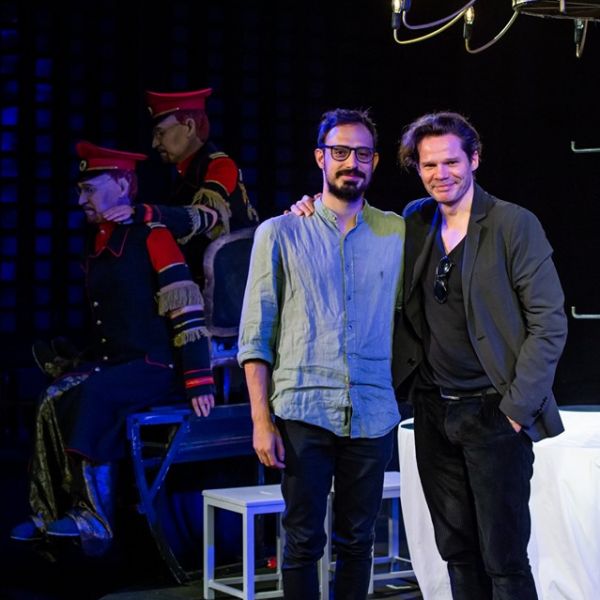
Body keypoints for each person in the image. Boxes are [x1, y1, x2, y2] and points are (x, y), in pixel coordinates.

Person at [392, 111, 568, 600]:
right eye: (428, 165)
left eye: (451, 161)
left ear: (474, 159)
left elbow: (549, 322)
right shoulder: (415, 220)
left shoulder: (512, 223)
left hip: (494, 411)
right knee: (458, 555)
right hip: (434, 410)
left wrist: (516, 410)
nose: (440, 174)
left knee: (504, 561)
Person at [10, 141, 215, 554]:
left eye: (89, 189)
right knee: (50, 398)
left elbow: (186, 306)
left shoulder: (152, 235)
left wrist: (198, 377)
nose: (80, 199)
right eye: (80, 190)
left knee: (93, 396)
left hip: (154, 366)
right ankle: (46, 511)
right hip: (118, 364)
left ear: (122, 185)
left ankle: (94, 521)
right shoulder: (100, 243)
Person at [238, 108, 406, 600]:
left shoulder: (397, 232)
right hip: (303, 408)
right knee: (303, 540)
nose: (351, 162)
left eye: (362, 153)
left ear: (375, 162)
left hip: (372, 411)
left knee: (358, 541)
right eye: (340, 151)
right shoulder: (281, 232)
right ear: (320, 158)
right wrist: (260, 420)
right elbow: (256, 334)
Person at [103, 87, 259, 286]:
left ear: (189, 127)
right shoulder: (184, 174)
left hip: (232, 281)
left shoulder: (219, 165)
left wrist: (145, 213)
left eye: (160, 133)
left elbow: (206, 217)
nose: (154, 143)